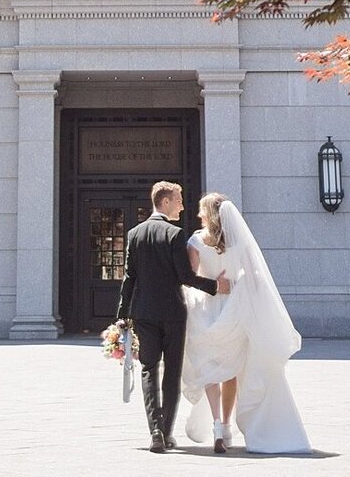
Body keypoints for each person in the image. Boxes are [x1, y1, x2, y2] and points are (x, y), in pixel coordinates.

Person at [181, 192, 311, 456]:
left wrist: (211, 287)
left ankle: (217, 425)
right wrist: (236, 286)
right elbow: (254, 276)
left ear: (208, 213)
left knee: (209, 368)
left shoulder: (195, 240)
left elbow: (191, 278)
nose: (198, 215)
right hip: (233, 309)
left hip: (205, 308)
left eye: (201, 211)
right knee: (230, 371)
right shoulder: (239, 242)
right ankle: (227, 426)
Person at [117, 179, 230, 454]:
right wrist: (215, 286)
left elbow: (129, 276)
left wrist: (122, 314)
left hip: (144, 312)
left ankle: (155, 430)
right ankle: (166, 433)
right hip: (173, 314)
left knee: (148, 369)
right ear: (165, 201)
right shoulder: (174, 234)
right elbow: (185, 277)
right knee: (171, 373)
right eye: (178, 200)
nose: (182, 205)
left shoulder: (134, 234)